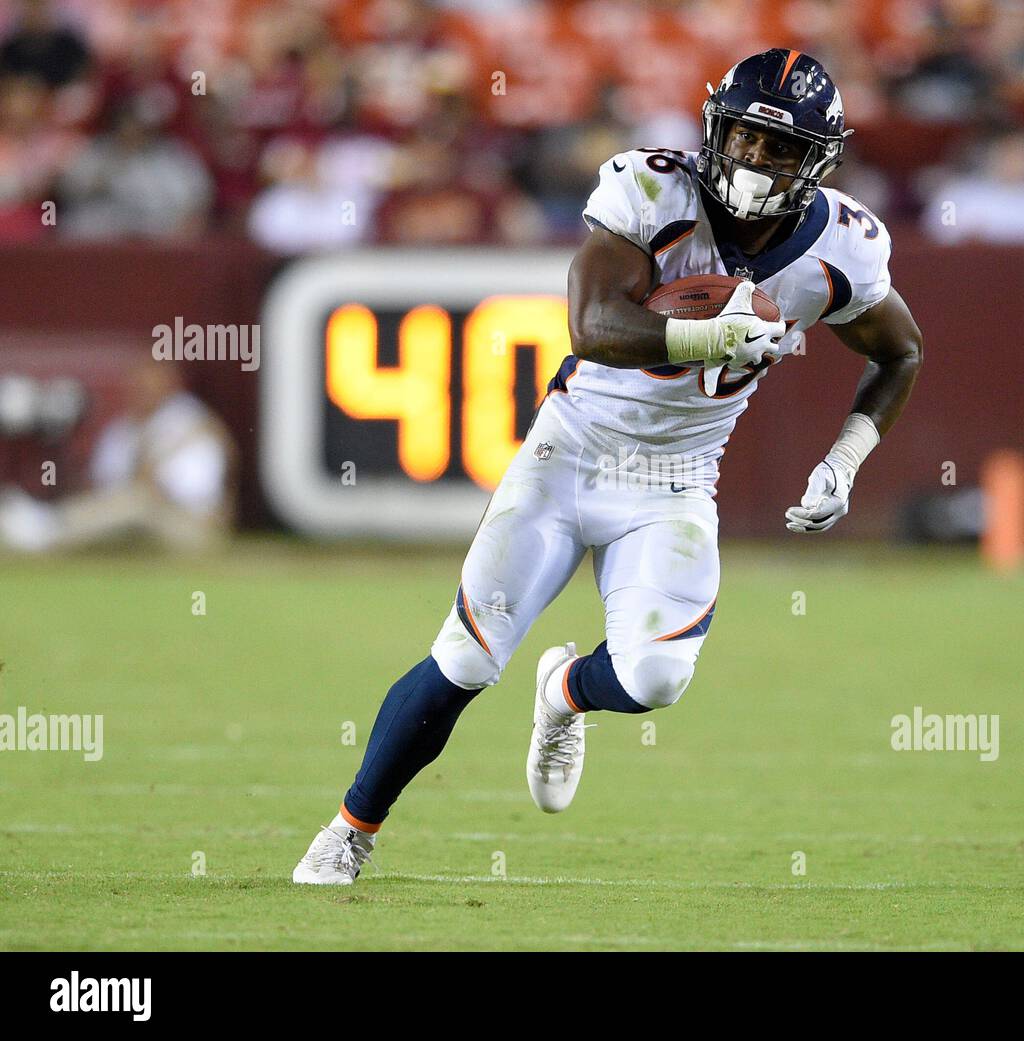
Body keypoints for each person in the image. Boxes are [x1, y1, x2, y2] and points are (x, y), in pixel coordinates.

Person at [293, 48, 923, 885]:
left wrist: (847, 456)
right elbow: (591, 324)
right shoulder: (651, 186)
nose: (752, 160)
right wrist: (706, 335)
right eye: (740, 137)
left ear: (819, 159)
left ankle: (566, 694)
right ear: (713, 128)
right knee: (469, 656)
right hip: (572, 451)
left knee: (658, 676)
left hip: (678, 474)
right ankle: (349, 829)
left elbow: (901, 352)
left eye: (778, 149)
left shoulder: (843, 244)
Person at [0, 361, 235, 553]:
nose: (143, 390)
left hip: (192, 528)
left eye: (151, 383)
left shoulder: (191, 425)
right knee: (129, 507)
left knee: (137, 501)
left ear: (169, 385)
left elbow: (188, 491)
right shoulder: (122, 429)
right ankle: (48, 526)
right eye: (138, 383)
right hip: (132, 527)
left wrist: (144, 482)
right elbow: (103, 487)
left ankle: (45, 530)